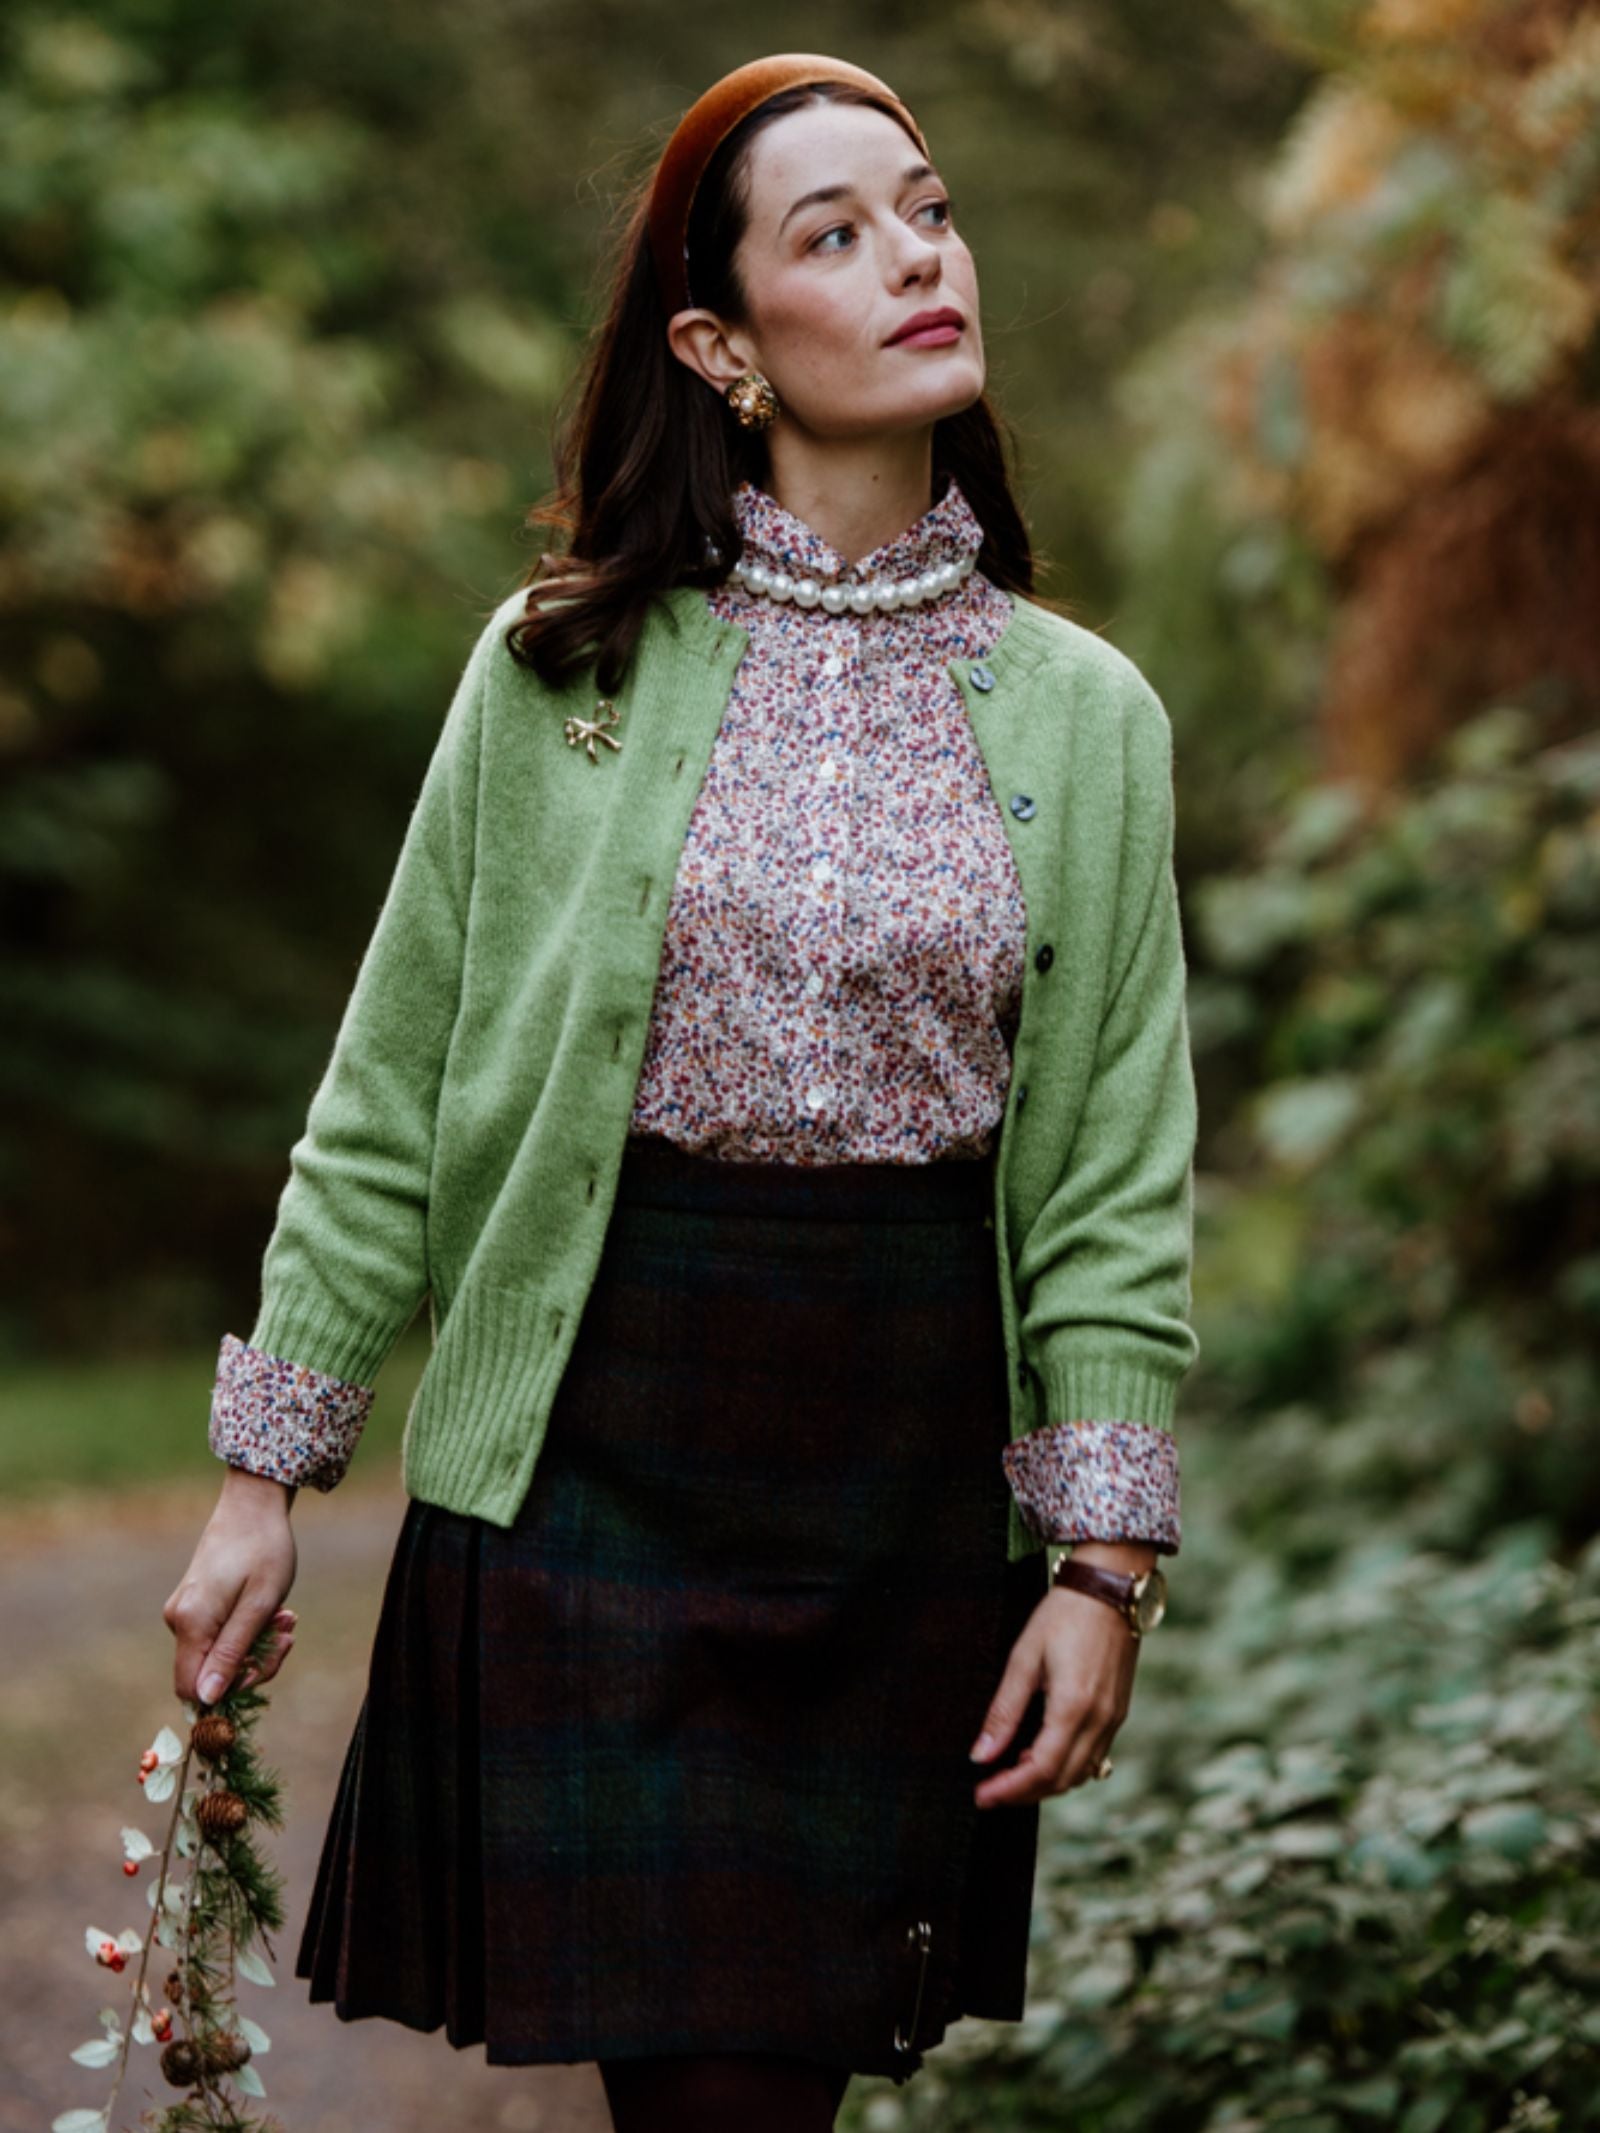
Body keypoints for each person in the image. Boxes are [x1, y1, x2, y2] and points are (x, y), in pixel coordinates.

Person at [162, 51, 1199, 2133]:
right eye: (834, 233)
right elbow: (392, 1089)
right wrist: (266, 1467)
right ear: (717, 343)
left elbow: (1103, 1169)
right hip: (597, 1450)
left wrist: (1099, 1559)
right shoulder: (558, 672)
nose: (912, 256)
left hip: (891, 1472)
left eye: (923, 206)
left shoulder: (1086, 719)